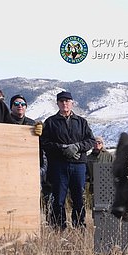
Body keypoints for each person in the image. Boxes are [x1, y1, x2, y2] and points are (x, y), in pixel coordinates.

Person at [40, 91, 96, 230]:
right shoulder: (51, 122)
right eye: (61, 101)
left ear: (72, 103)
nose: (64, 103)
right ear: (57, 103)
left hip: (78, 165)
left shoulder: (81, 122)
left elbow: (90, 141)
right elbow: (44, 142)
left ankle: (79, 227)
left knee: (78, 198)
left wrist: (77, 147)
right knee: (58, 198)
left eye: (67, 101)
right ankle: (59, 227)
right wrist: (62, 148)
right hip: (58, 165)